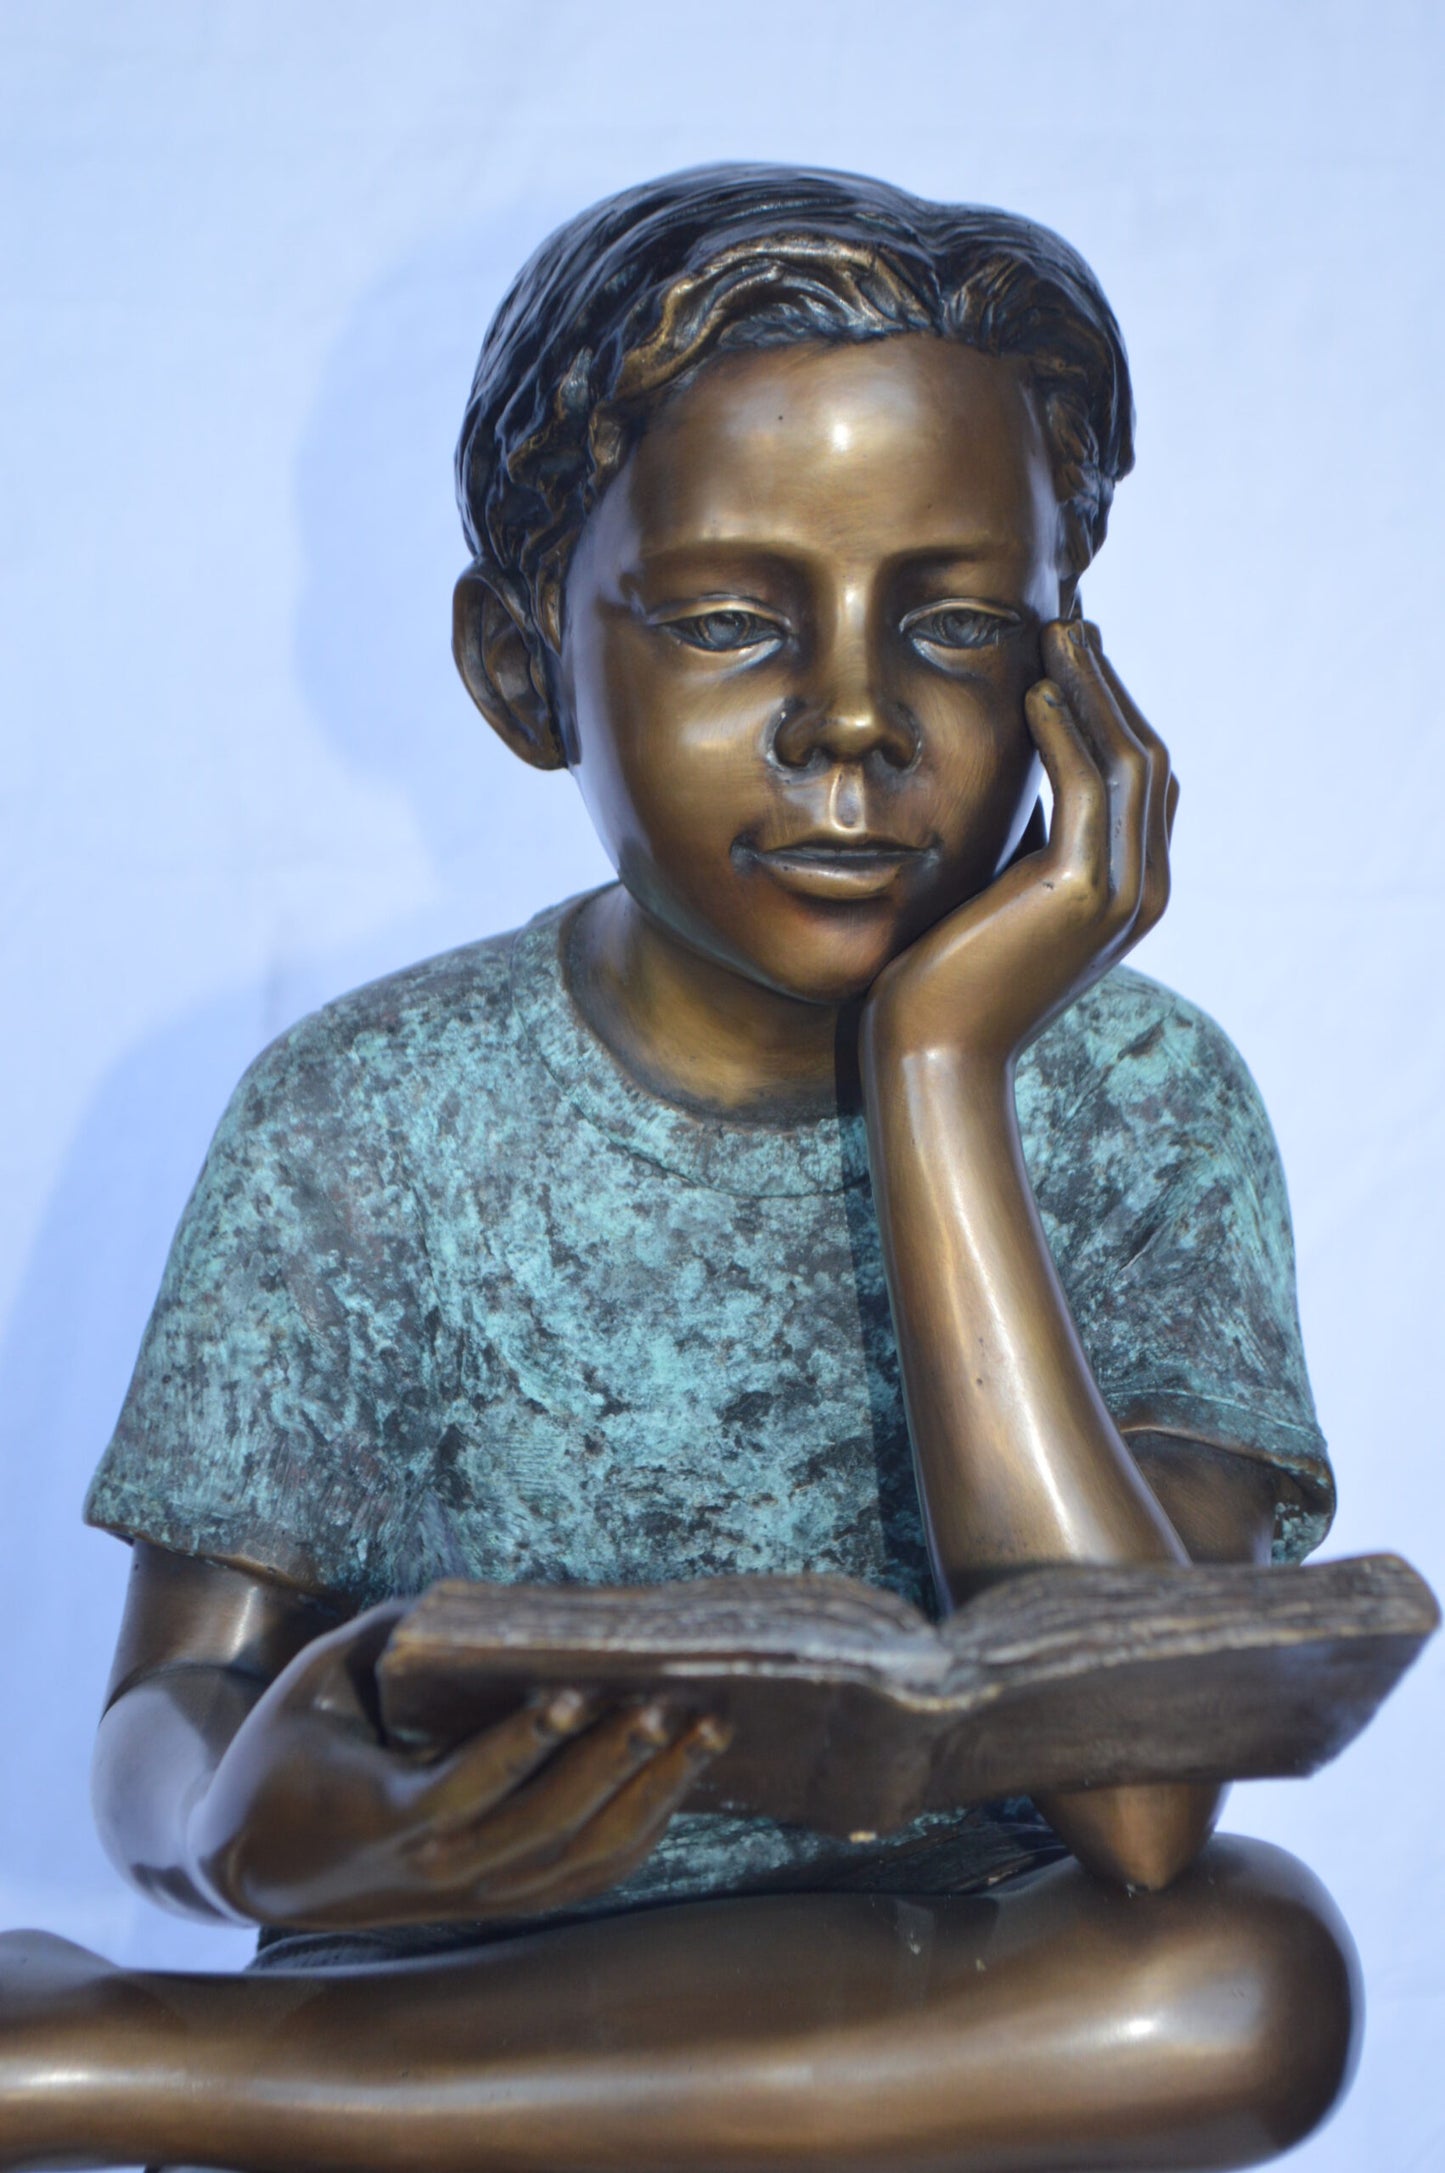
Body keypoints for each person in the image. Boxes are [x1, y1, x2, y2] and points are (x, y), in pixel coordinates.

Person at [0, 166, 1358, 2171]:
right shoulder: (366, 1113)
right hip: (455, 1966)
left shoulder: (1149, 1106)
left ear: (1071, 678)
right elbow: (161, 1726)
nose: (852, 723)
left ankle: (139, 2062)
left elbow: (1143, 1806)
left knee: (1244, 1976)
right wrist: (246, 1823)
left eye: (958, 624)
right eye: (729, 622)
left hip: (944, 1979)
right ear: (521, 664)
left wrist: (941, 1075)